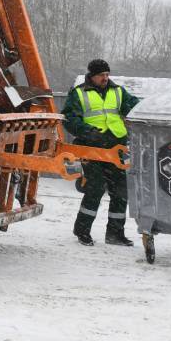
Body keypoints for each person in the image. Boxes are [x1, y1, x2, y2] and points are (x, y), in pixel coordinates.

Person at [62, 59, 140, 247]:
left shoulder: (119, 91)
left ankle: (114, 234)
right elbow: (69, 119)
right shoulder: (79, 93)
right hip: (91, 148)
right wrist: (87, 132)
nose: (105, 78)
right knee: (95, 188)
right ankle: (82, 231)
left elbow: (136, 108)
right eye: (101, 75)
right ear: (92, 75)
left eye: (107, 74)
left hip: (115, 148)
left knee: (121, 192)